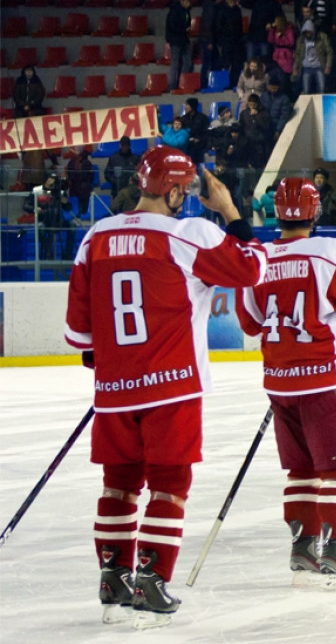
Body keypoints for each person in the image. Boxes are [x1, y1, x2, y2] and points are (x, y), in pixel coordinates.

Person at [63, 147, 266, 628]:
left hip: (115, 392)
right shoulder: (188, 234)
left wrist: (116, 370)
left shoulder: (96, 236)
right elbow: (252, 268)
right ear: (175, 190)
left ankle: (113, 576)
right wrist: (231, 211)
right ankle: (151, 579)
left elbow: (80, 335)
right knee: (169, 485)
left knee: (119, 483)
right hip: (172, 388)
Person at [235, 177, 336, 587]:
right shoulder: (330, 252)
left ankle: (303, 547)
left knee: (301, 468)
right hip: (326, 379)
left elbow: (250, 322)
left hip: (280, 381)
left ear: (275, 211)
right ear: (316, 212)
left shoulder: (259, 258)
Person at [241, 0, 283, 64]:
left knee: (265, 61)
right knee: (250, 61)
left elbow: (280, 18)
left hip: (265, 37)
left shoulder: (275, 4)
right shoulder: (256, 1)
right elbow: (243, 3)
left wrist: (271, 24)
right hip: (252, 36)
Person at [293, 20, 333, 95]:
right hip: (306, 68)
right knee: (306, 90)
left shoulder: (322, 38)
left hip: (319, 67)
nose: (308, 34)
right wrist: (295, 68)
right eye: (306, 32)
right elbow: (297, 55)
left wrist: (328, 66)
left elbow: (329, 52)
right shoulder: (300, 40)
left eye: (309, 32)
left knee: (322, 89)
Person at [214, 0, 246, 81]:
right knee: (226, 62)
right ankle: (223, 82)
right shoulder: (221, 10)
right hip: (226, 40)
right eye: (231, 2)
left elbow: (240, 25)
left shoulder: (237, 10)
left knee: (237, 62)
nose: (232, 4)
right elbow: (218, 26)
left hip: (237, 40)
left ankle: (234, 82)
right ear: (227, 1)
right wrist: (224, 37)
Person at [165, 0, 192, 91]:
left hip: (184, 40)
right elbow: (173, 26)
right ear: (183, 1)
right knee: (174, 64)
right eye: (187, 1)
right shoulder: (174, 11)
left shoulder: (186, 11)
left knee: (187, 62)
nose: (189, 3)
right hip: (175, 40)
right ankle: (171, 87)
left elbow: (188, 22)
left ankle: (183, 84)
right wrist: (184, 29)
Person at [239, 94, 274, 169]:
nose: (251, 106)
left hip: (261, 144)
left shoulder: (264, 113)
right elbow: (241, 126)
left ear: (257, 103)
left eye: (253, 104)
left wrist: (256, 117)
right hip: (248, 143)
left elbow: (267, 126)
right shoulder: (244, 113)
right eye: (250, 104)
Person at [260, 77, 294, 141]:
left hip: (275, 125)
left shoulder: (284, 98)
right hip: (265, 126)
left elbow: (284, 116)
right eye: (271, 88)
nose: (273, 90)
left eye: (275, 88)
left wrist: (278, 130)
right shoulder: (264, 96)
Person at [179, 98, 210, 165]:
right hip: (187, 144)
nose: (185, 107)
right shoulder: (183, 119)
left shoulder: (202, 118)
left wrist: (200, 139)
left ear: (192, 106)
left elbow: (207, 132)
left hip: (199, 145)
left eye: (187, 105)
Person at [268, 16, 296, 82]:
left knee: (285, 74)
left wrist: (282, 36)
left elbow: (291, 42)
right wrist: (271, 30)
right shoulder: (275, 30)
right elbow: (270, 40)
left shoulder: (289, 30)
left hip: (286, 54)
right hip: (277, 54)